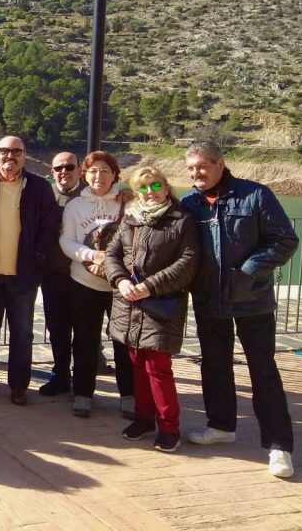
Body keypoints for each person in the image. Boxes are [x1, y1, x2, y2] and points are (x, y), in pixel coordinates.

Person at [181, 141, 299, 479]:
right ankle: (220, 426)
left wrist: (249, 270)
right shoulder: (190, 204)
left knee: (263, 371)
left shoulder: (256, 195)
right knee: (214, 365)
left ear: (220, 163)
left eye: (201, 166)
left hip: (253, 300)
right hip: (208, 300)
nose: (195, 174)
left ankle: (279, 446)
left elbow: (285, 240)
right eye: (190, 169)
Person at [106, 166, 199, 452]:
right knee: (136, 364)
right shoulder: (131, 219)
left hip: (161, 304)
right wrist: (120, 280)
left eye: (155, 186)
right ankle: (144, 418)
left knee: (158, 367)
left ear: (166, 187)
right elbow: (112, 253)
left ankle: (169, 426)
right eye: (143, 187)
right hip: (130, 303)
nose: (150, 192)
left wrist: (151, 286)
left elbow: (188, 262)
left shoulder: (181, 221)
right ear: (136, 192)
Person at [0, 136, 59, 407]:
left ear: (25, 155)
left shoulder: (39, 187)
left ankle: (18, 385)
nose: (10, 156)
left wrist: (37, 259)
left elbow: (49, 227)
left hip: (22, 274)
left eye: (16, 152)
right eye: (4, 151)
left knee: (22, 333)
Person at [59, 150, 134, 418]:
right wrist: (92, 255)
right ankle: (83, 393)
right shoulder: (75, 207)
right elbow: (67, 241)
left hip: (121, 285)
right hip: (84, 282)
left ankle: (129, 394)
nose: (98, 176)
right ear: (84, 174)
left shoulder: (128, 203)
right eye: (92, 171)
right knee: (84, 341)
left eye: (104, 171)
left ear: (115, 174)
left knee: (124, 342)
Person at [39, 151, 85, 396]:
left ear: (79, 169)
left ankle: (82, 380)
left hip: (84, 276)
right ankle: (60, 375)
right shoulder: (46, 195)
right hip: (53, 273)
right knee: (57, 328)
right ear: (52, 171)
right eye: (59, 168)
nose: (64, 172)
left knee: (83, 330)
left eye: (70, 167)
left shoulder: (90, 194)